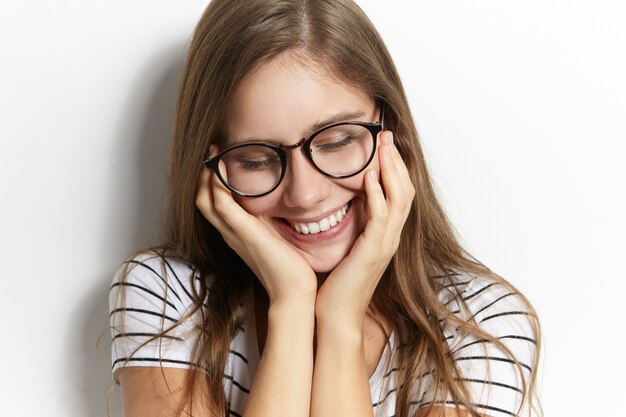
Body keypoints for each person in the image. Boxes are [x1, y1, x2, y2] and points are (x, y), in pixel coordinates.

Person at [109, 1, 541, 416]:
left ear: (391, 129)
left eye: (336, 141)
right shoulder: (170, 295)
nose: (305, 194)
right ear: (211, 167)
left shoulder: (478, 324)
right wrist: (292, 308)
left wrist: (339, 324)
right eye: (256, 158)